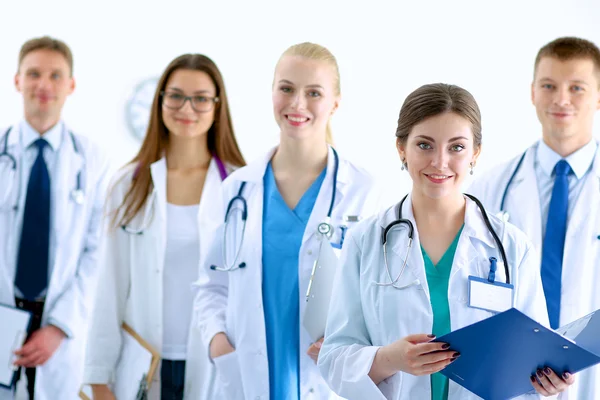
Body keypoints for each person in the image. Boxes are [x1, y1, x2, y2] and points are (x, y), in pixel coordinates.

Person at [317, 83, 574, 399]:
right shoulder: (366, 242)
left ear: (475, 153)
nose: (440, 162)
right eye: (425, 145)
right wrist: (389, 359)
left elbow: (532, 360)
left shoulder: (512, 247)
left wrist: (548, 386)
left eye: (456, 147)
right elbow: (333, 359)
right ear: (401, 148)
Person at [193, 42, 382, 400]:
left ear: (335, 103)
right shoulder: (236, 190)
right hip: (244, 370)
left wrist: (352, 337)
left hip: (323, 375)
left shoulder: (362, 190)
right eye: (287, 89)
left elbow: (378, 295)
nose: (297, 104)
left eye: (314, 93)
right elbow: (211, 286)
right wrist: (218, 343)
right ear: (272, 93)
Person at [82, 53, 245, 400]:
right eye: (175, 96)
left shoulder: (240, 187)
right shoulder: (129, 184)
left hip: (216, 362)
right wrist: (98, 378)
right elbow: (109, 287)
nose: (187, 108)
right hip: (142, 363)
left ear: (218, 107)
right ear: (159, 102)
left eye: (201, 98)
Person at [468, 36, 600, 398]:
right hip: (512, 374)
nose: (561, 99)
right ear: (532, 93)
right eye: (549, 85)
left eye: (577, 87)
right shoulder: (490, 188)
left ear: (598, 96)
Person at [0, 36, 110, 400]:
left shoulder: (92, 161)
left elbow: (97, 252)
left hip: (59, 321)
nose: (43, 85)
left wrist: (59, 328)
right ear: (17, 80)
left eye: (55, 75)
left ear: (71, 85)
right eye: (33, 74)